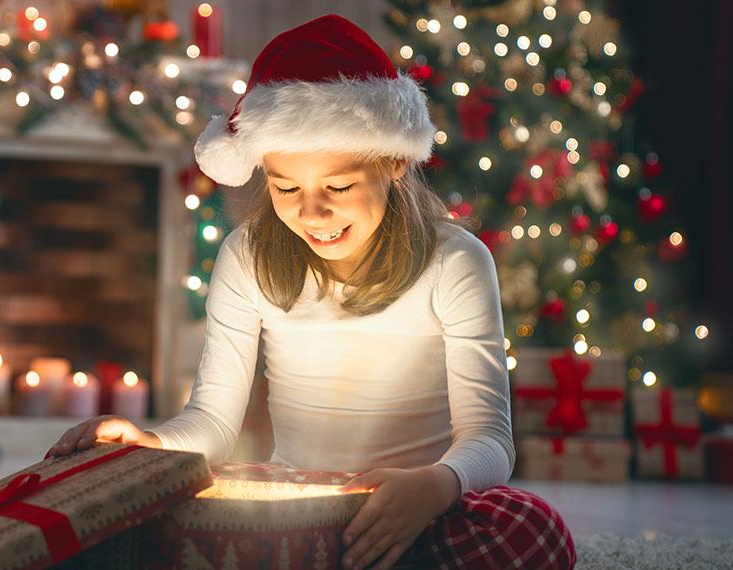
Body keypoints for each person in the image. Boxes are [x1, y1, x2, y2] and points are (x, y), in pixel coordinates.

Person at [49, 14, 575, 570]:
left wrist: (435, 486)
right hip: (295, 502)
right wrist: (150, 445)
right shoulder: (245, 256)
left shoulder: (457, 262)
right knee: (144, 520)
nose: (311, 212)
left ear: (395, 161)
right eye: (286, 187)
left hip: (411, 506)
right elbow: (213, 427)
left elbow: (490, 440)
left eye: (339, 186)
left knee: (534, 531)